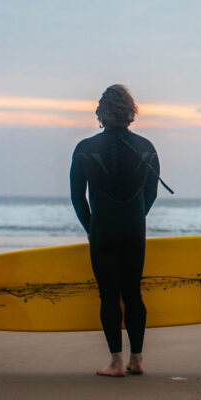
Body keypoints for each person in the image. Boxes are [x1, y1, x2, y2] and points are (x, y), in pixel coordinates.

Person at [70, 84, 160, 377]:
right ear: (131, 111)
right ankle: (137, 360)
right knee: (134, 292)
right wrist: (135, 217)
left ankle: (115, 362)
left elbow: (77, 197)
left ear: (101, 112)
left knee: (108, 295)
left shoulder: (84, 149)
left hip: (103, 231)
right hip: (134, 230)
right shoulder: (146, 147)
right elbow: (151, 194)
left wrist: (90, 227)